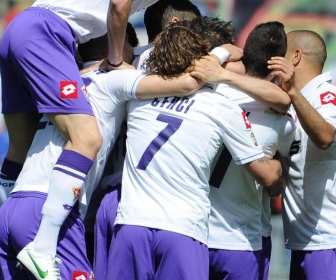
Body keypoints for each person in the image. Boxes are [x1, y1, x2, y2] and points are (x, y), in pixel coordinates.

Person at [0, 0, 229, 277]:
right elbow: (120, 0)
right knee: (87, 137)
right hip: (49, 34)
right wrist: (118, 60)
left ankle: (6, 230)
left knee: (20, 146)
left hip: (21, 28)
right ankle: (42, 247)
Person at [0, 25, 204, 280]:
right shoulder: (113, 80)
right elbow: (187, 84)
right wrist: (218, 57)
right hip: (49, 209)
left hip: (12, 208)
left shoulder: (63, 80)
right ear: (119, 43)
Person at [108, 22, 282, 280]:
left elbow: (148, 57)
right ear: (204, 63)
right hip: (183, 230)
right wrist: (277, 164)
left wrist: (218, 53)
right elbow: (268, 176)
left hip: (132, 224)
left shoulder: (137, 96)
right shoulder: (221, 107)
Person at [193, 21, 295, 280]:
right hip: (242, 241)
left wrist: (225, 59)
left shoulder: (208, 93)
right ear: (277, 66)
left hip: (196, 235)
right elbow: (274, 184)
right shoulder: (281, 120)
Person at [268, 30, 336, 280]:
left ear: (296, 56)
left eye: (282, 51)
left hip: (334, 241)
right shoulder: (286, 101)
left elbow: (325, 137)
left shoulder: (327, 94)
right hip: (304, 243)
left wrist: (292, 92)